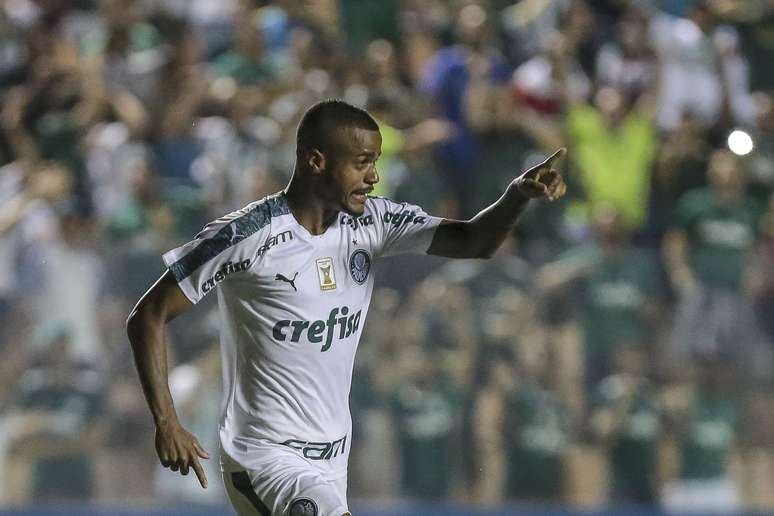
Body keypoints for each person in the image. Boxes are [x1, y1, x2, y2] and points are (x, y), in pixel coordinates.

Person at [126, 99, 567, 516]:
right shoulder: (247, 235)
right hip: (265, 457)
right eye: (361, 163)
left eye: (375, 162)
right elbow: (147, 315)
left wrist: (516, 196)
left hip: (334, 458)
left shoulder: (373, 222)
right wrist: (167, 422)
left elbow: (474, 240)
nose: (374, 176)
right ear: (315, 161)